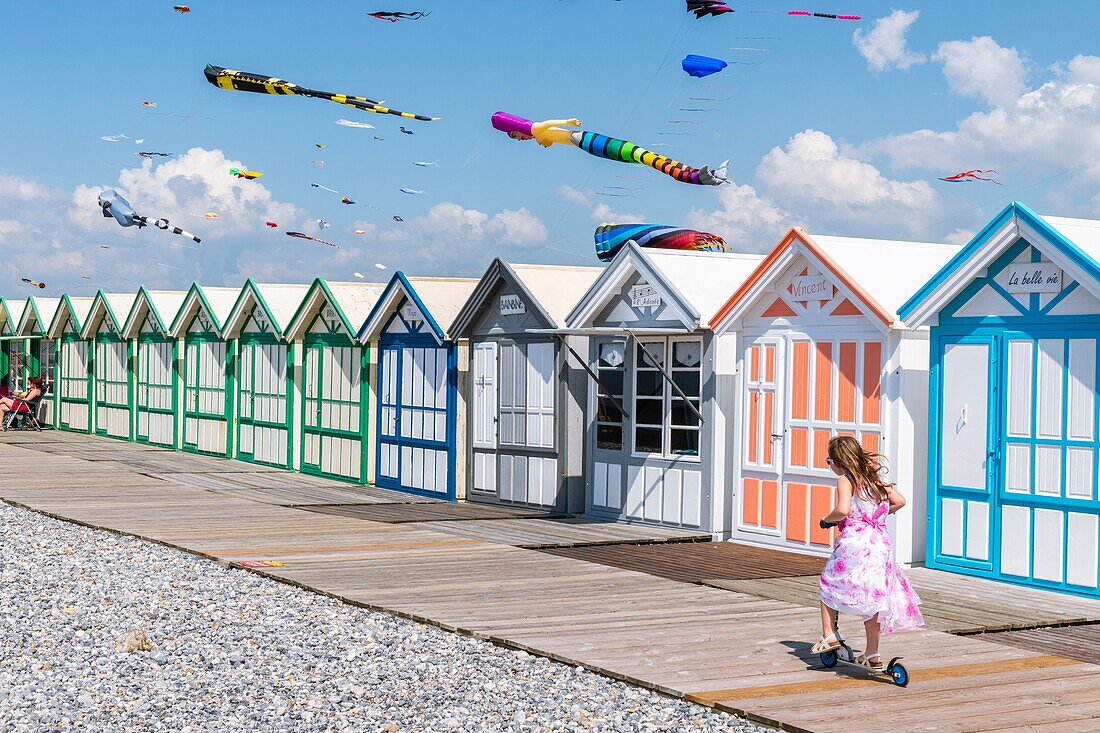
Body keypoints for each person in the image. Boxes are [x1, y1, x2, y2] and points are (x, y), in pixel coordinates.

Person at [811, 435, 924, 671]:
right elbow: (900, 501)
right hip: (879, 544)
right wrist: (877, 516)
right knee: (875, 595)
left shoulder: (846, 479)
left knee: (828, 584)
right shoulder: (873, 479)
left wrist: (825, 520)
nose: (829, 465)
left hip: (855, 542)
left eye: (829, 461)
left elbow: (842, 510)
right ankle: (873, 653)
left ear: (839, 462)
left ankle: (829, 635)